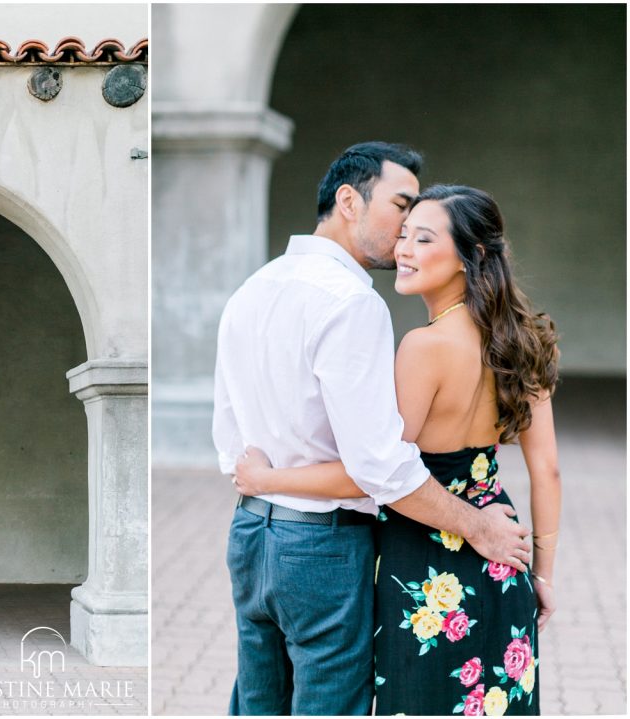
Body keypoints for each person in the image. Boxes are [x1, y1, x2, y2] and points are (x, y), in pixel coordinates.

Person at [212, 143, 533, 716]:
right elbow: (380, 466)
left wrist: (263, 479)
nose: (407, 229)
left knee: (259, 702)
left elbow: (229, 437)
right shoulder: (352, 303)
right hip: (322, 545)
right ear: (348, 201)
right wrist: (478, 527)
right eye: (400, 207)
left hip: (250, 534)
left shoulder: (251, 289)